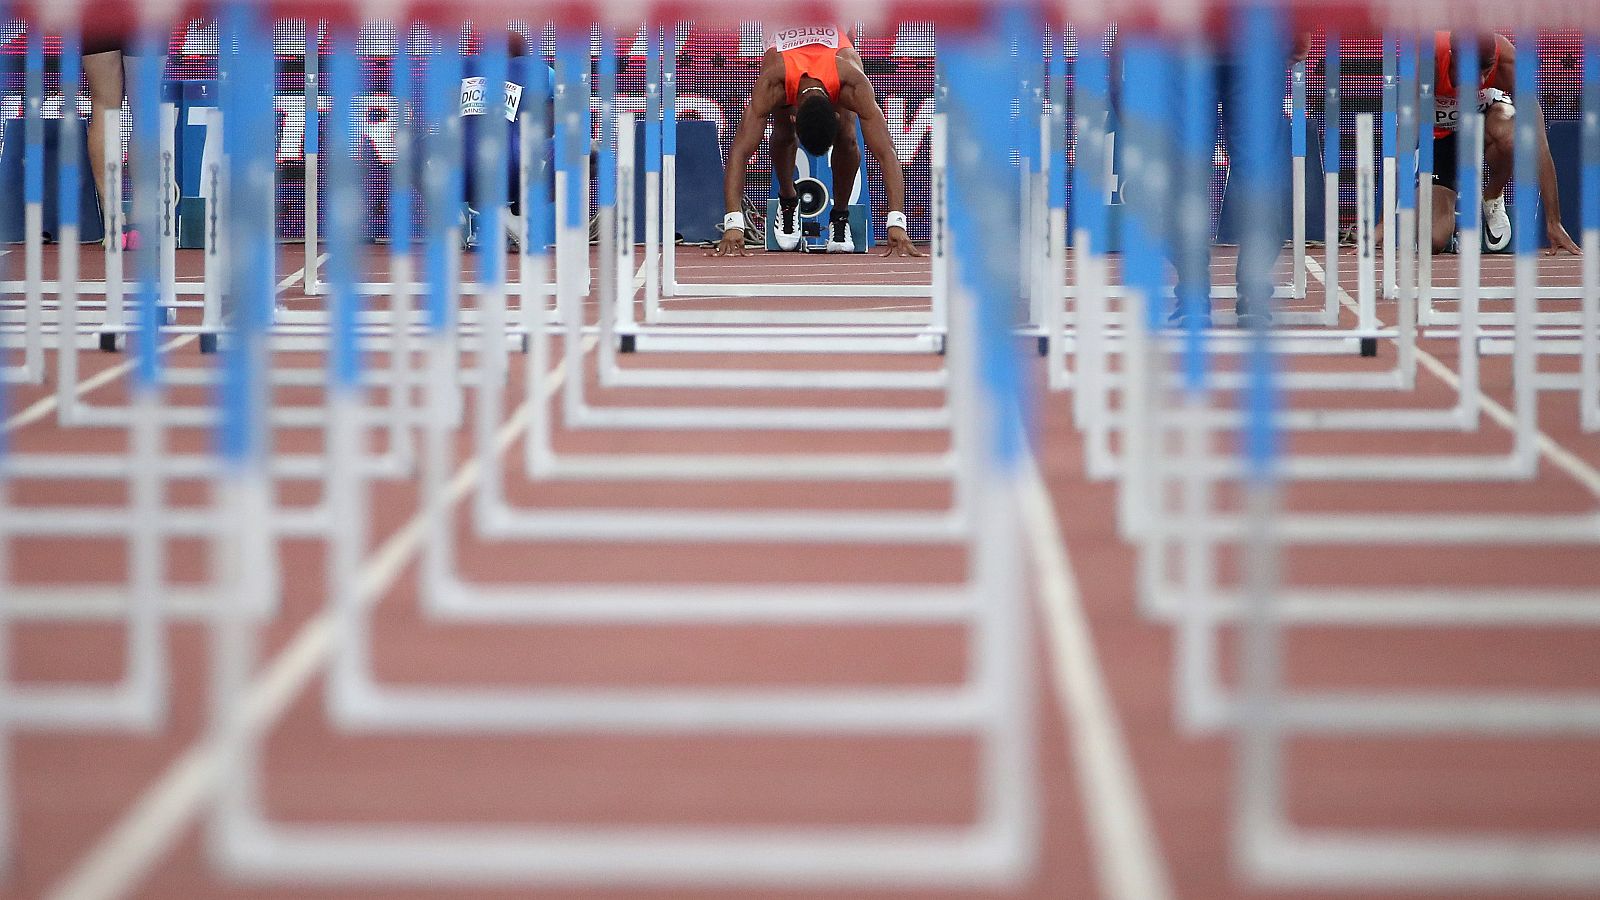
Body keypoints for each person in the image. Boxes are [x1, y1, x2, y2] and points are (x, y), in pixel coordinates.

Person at [713, 25, 920, 257]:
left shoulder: (853, 82)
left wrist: (897, 222)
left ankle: (840, 217)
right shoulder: (773, 80)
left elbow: (887, 152)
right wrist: (733, 223)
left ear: (835, 112)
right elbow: (740, 151)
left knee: (848, 138)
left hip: (833, 42)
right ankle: (788, 200)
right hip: (784, 36)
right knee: (782, 133)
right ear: (793, 115)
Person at [1431, 32, 1580, 255]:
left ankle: (1492, 196)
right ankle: (1451, 233)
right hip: (1444, 132)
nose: (1481, 80)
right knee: (1433, 240)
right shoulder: (1429, 59)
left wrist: (1554, 221)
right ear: (1453, 57)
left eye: (1487, 69)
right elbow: (1405, 133)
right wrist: (1385, 222)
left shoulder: (1509, 62)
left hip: (1489, 114)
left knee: (1514, 135)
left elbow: (1538, 143)